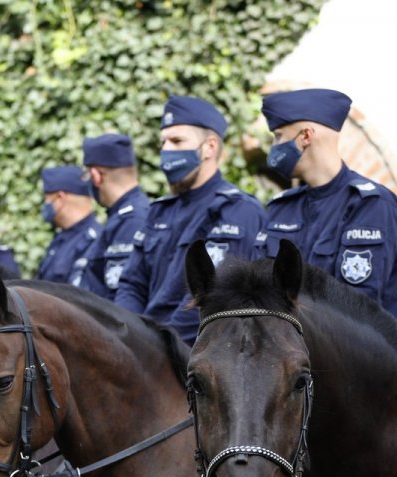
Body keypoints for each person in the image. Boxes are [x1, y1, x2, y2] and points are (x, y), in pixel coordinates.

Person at [115, 95, 266, 344]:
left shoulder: (237, 210)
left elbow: (213, 297)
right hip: (142, 349)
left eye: (177, 141)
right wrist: (126, 334)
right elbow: (132, 284)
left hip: (195, 354)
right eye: (163, 142)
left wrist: (158, 346)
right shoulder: (159, 211)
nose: (166, 151)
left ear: (209, 147)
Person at [260, 88, 397, 320]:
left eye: (279, 136)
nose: (274, 147)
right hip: (283, 350)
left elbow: (356, 308)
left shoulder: (370, 205)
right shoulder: (281, 208)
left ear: (305, 137)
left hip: (351, 354)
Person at [77, 133, 150, 301]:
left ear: (96, 176)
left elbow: (121, 298)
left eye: (85, 175)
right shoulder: (121, 216)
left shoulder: (132, 220)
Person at [36, 166, 100, 284]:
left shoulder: (94, 242)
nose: (45, 204)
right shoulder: (61, 238)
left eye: (46, 198)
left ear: (60, 198)